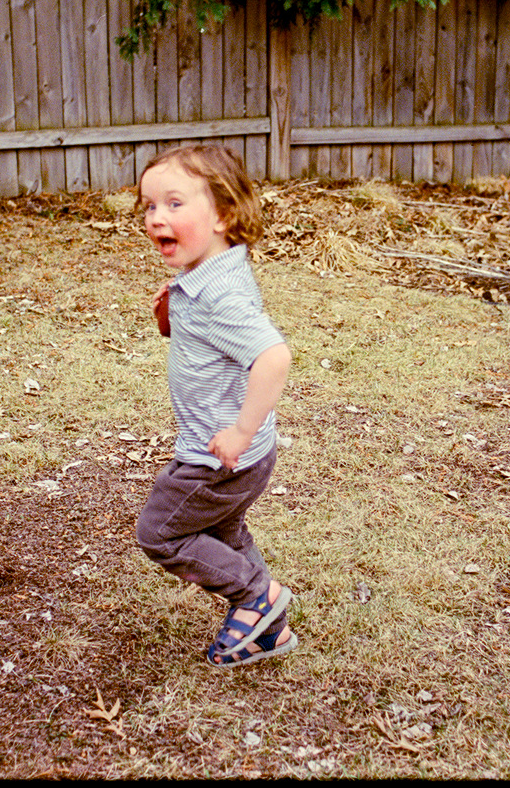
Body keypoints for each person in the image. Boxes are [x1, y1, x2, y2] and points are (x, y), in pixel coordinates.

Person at [134, 144, 299, 667]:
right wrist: (173, 316)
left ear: (224, 214)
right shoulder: (211, 272)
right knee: (222, 532)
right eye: (149, 206)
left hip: (219, 457)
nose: (157, 217)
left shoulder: (218, 294)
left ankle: (257, 597)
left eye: (174, 204)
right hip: (241, 456)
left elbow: (273, 357)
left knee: (161, 532)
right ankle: (268, 632)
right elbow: (214, 339)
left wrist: (240, 432)